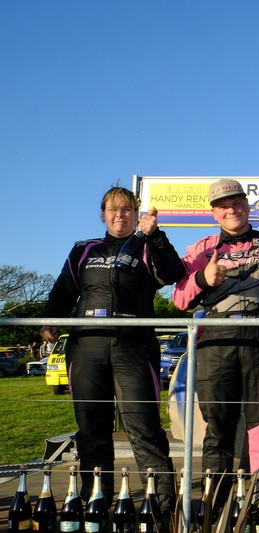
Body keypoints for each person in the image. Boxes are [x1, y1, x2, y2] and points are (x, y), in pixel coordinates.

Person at [40, 186, 183, 519]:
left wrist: (156, 235)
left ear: (136, 214)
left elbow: (176, 273)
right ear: (103, 214)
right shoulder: (83, 250)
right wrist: (48, 320)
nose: (120, 215)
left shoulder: (148, 245)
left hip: (133, 346)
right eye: (113, 210)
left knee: (145, 429)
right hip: (87, 345)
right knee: (92, 430)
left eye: (127, 209)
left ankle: (160, 510)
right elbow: (63, 289)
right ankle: (95, 506)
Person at [173, 179, 259, 497]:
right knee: (218, 427)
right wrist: (202, 278)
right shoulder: (200, 249)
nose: (231, 210)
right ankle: (216, 501)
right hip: (215, 343)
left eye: (237, 203)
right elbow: (180, 299)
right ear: (214, 213)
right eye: (223, 206)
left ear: (247, 206)